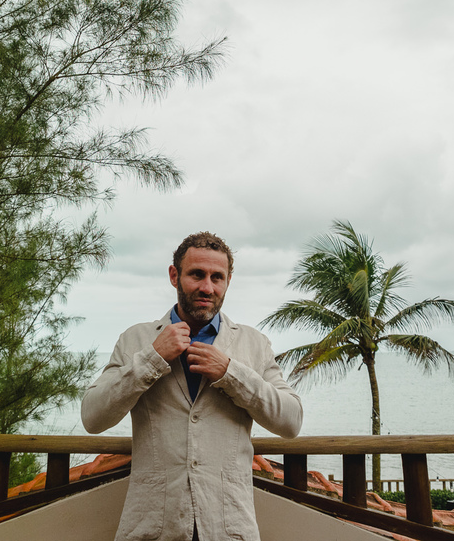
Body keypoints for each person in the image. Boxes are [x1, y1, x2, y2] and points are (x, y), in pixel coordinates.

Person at [81, 231, 304, 541]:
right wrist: (152, 359)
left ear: (228, 281)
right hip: (151, 529)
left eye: (217, 277)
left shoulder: (254, 344)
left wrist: (231, 373)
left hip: (229, 528)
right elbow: (92, 417)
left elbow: (291, 421)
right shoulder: (135, 340)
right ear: (175, 275)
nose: (207, 287)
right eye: (197, 274)